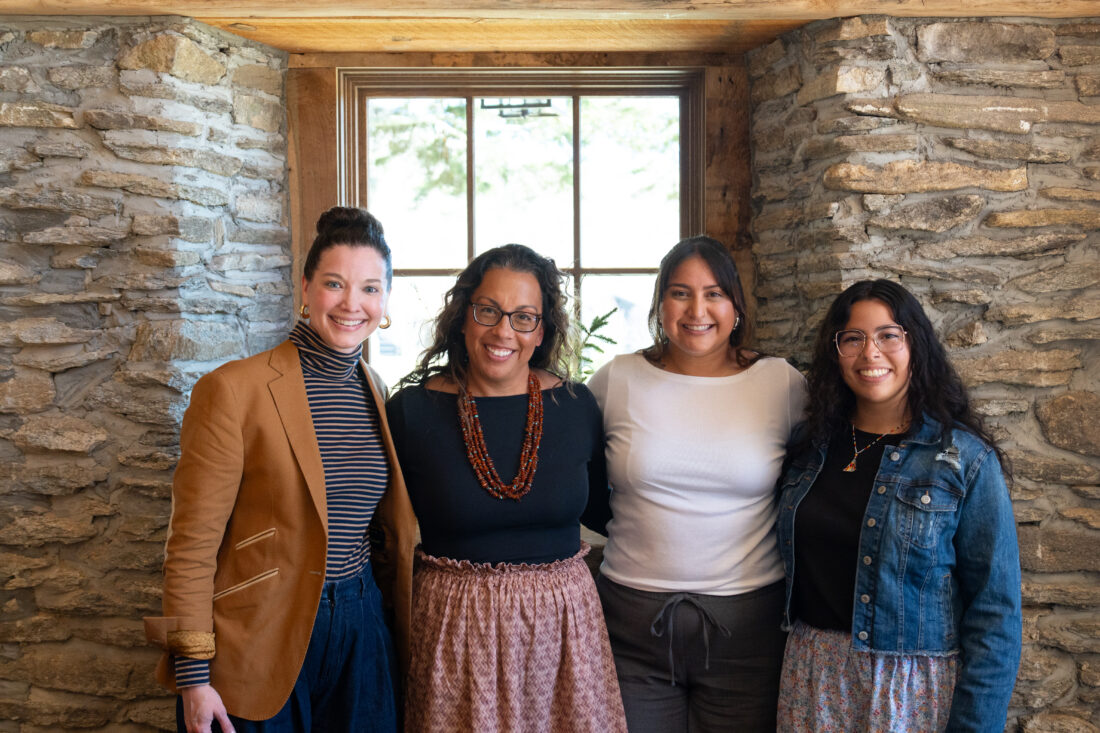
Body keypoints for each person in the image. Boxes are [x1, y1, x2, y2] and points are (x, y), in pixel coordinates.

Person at [144, 207, 417, 733]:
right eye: (335, 284)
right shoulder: (233, 390)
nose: (351, 304)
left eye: (369, 289)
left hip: (362, 628)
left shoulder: (374, 390)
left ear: (384, 301)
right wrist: (194, 677)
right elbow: (191, 546)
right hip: (260, 633)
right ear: (307, 285)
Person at [386, 243, 627, 732]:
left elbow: (609, 511)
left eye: (523, 318)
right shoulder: (411, 412)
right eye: (488, 311)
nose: (503, 331)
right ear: (463, 317)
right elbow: (380, 534)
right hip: (454, 631)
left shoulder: (577, 407)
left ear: (541, 331)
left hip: (565, 632)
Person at [776, 279, 1021, 732]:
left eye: (889, 336)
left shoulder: (964, 460)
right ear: (836, 353)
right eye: (853, 338)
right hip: (811, 676)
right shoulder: (810, 449)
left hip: (912, 690)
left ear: (915, 346)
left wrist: (976, 725)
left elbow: (996, 612)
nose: (871, 353)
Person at [587, 235, 806, 732]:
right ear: (660, 302)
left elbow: (813, 482)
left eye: (714, 293)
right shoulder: (617, 380)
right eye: (680, 292)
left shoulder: (781, 384)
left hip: (749, 631)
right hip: (630, 629)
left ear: (735, 305)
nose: (696, 309)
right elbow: (574, 480)